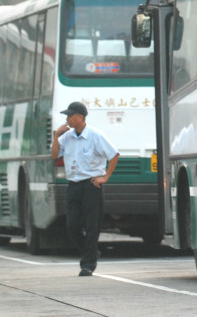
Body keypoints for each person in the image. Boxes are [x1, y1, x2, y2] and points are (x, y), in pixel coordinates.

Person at [51, 101, 120, 276]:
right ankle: (91, 251)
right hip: (74, 185)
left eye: (69, 116)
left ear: (80, 117)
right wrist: (55, 137)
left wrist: (105, 177)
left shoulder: (95, 135)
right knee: (72, 225)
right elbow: (54, 155)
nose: (67, 119)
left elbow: (114, 155)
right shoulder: (66, 136)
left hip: (91, 185)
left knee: (92, 226)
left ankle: (88, 264)